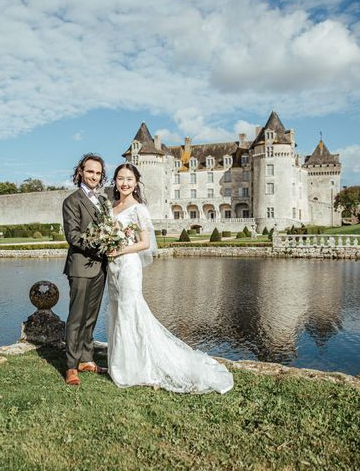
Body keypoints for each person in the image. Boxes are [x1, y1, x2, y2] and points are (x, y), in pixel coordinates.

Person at [106, 163, 233, 394]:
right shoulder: (112, 206)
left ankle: (134, 368)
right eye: (120, 178)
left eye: (129, 179)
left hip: (128, 265)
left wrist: (120, 250)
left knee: (130, 311)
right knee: (117, 310)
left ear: (136, 183)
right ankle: (121, 362)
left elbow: (145, 243)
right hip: (113, 267)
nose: (124, 183)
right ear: (115, 181)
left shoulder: (139, 209)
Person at [62, 153, 110, 386]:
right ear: (81, 171)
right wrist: (100, 245)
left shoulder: (102, 202)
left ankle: (86, 359)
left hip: (100, 267)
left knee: (91, 317)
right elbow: (72, 236)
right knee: (76, 318)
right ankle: (71, 366)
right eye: (90, 171)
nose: (94, 176)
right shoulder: (72, 201)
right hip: (81, 266)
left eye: (98, 173)